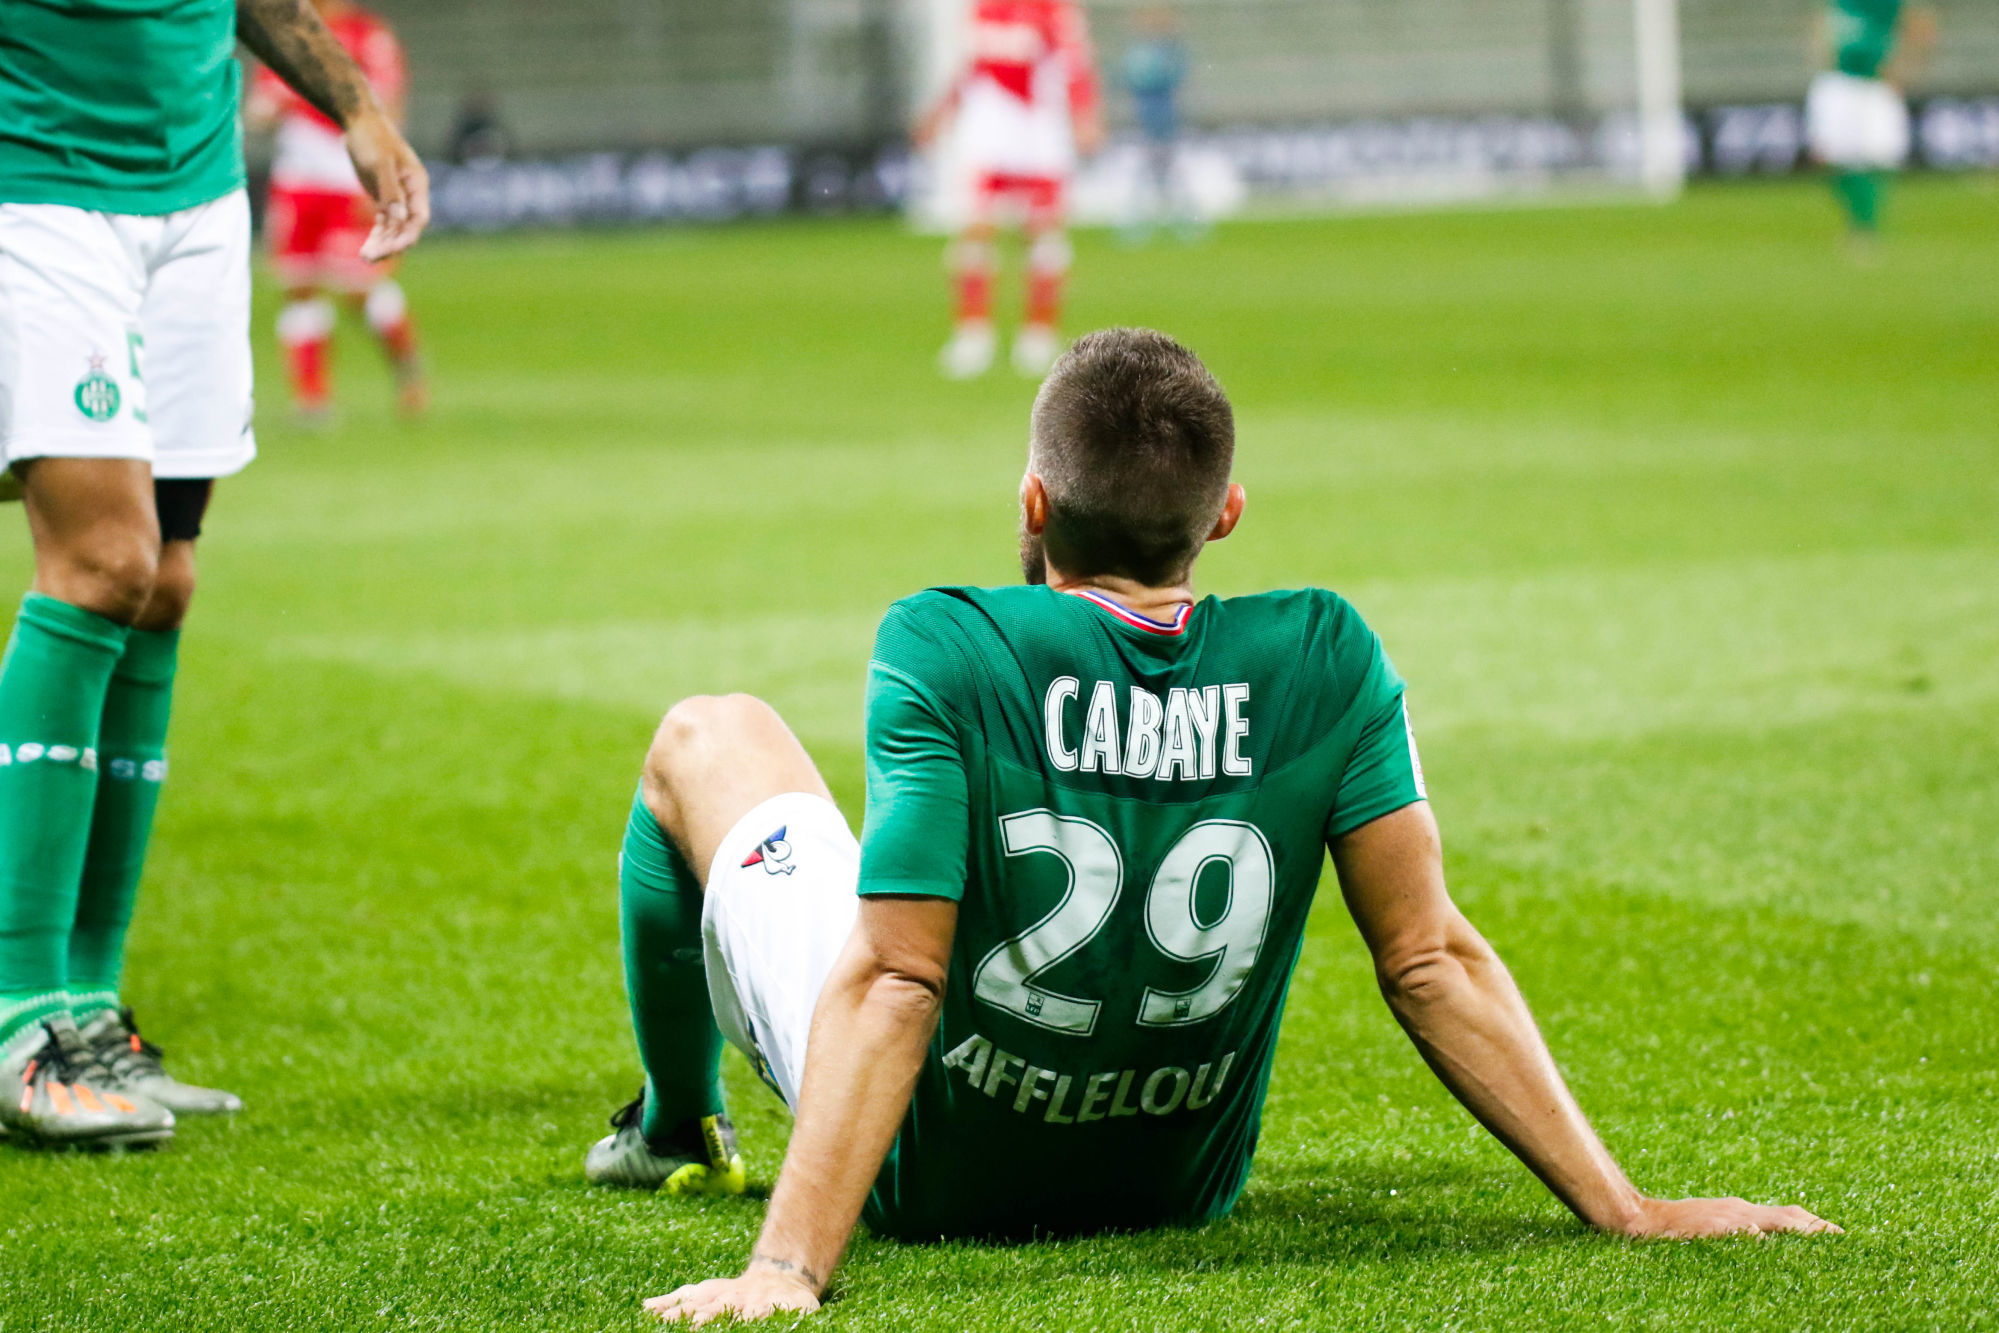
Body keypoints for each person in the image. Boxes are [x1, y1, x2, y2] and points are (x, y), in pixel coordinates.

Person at [581, 328, 1840, 1323]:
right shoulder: (1328, 656)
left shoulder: (944, 640)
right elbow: (1428, 957)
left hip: (924, 1174)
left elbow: (901, 975)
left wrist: (790, 1268)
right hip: (1175, 1184)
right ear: (1224, 513)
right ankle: (673, 1122)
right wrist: (1623, 1208)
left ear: (1032, 500)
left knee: (706, 734)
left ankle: (675, 1124)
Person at [0, 0, 428, 1148]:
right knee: (100, 562)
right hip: (41, 190)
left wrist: (356, 106)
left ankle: (86, 1017)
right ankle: (16, 1015)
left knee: (164, 582)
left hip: (195, 202)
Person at [246, 0, 427, 422]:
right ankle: (312, 399)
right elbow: (262, 107)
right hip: (296, 180)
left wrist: (384, 175)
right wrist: (267, 110)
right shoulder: (285, 30)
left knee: (357, 288)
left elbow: (389, 103)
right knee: (300, 285)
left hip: (347, 175)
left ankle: (408, 368)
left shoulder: (368, 35)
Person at [915, 0, 1105, 380]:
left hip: (1039, 129)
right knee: (977, 230)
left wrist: (1084, 115)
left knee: (1042, 232)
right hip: (989, 126)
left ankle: (1038, 336)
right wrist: (941, 111)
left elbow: (1075, 63)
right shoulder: (982, 8)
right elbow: (969, 66)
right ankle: (973, 336)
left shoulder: (1054, 9)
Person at [1806, 0, 1939, 244]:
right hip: (1839, 82)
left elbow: (1920, 27)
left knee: (1878, 157)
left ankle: (1865, 226)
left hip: (1874, 85)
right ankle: (1860, 223)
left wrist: (1903, 71)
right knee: (1830, 155)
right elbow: (1822, 26)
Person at [1120, 7, 1195, 241]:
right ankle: (1139, 225)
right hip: (1147, 119)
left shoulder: (1168, 51)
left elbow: (1173, 77)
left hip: (1164, 119)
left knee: (1168, 172)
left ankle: (1185, 222)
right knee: (1149, 172)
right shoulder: (1141, 52)